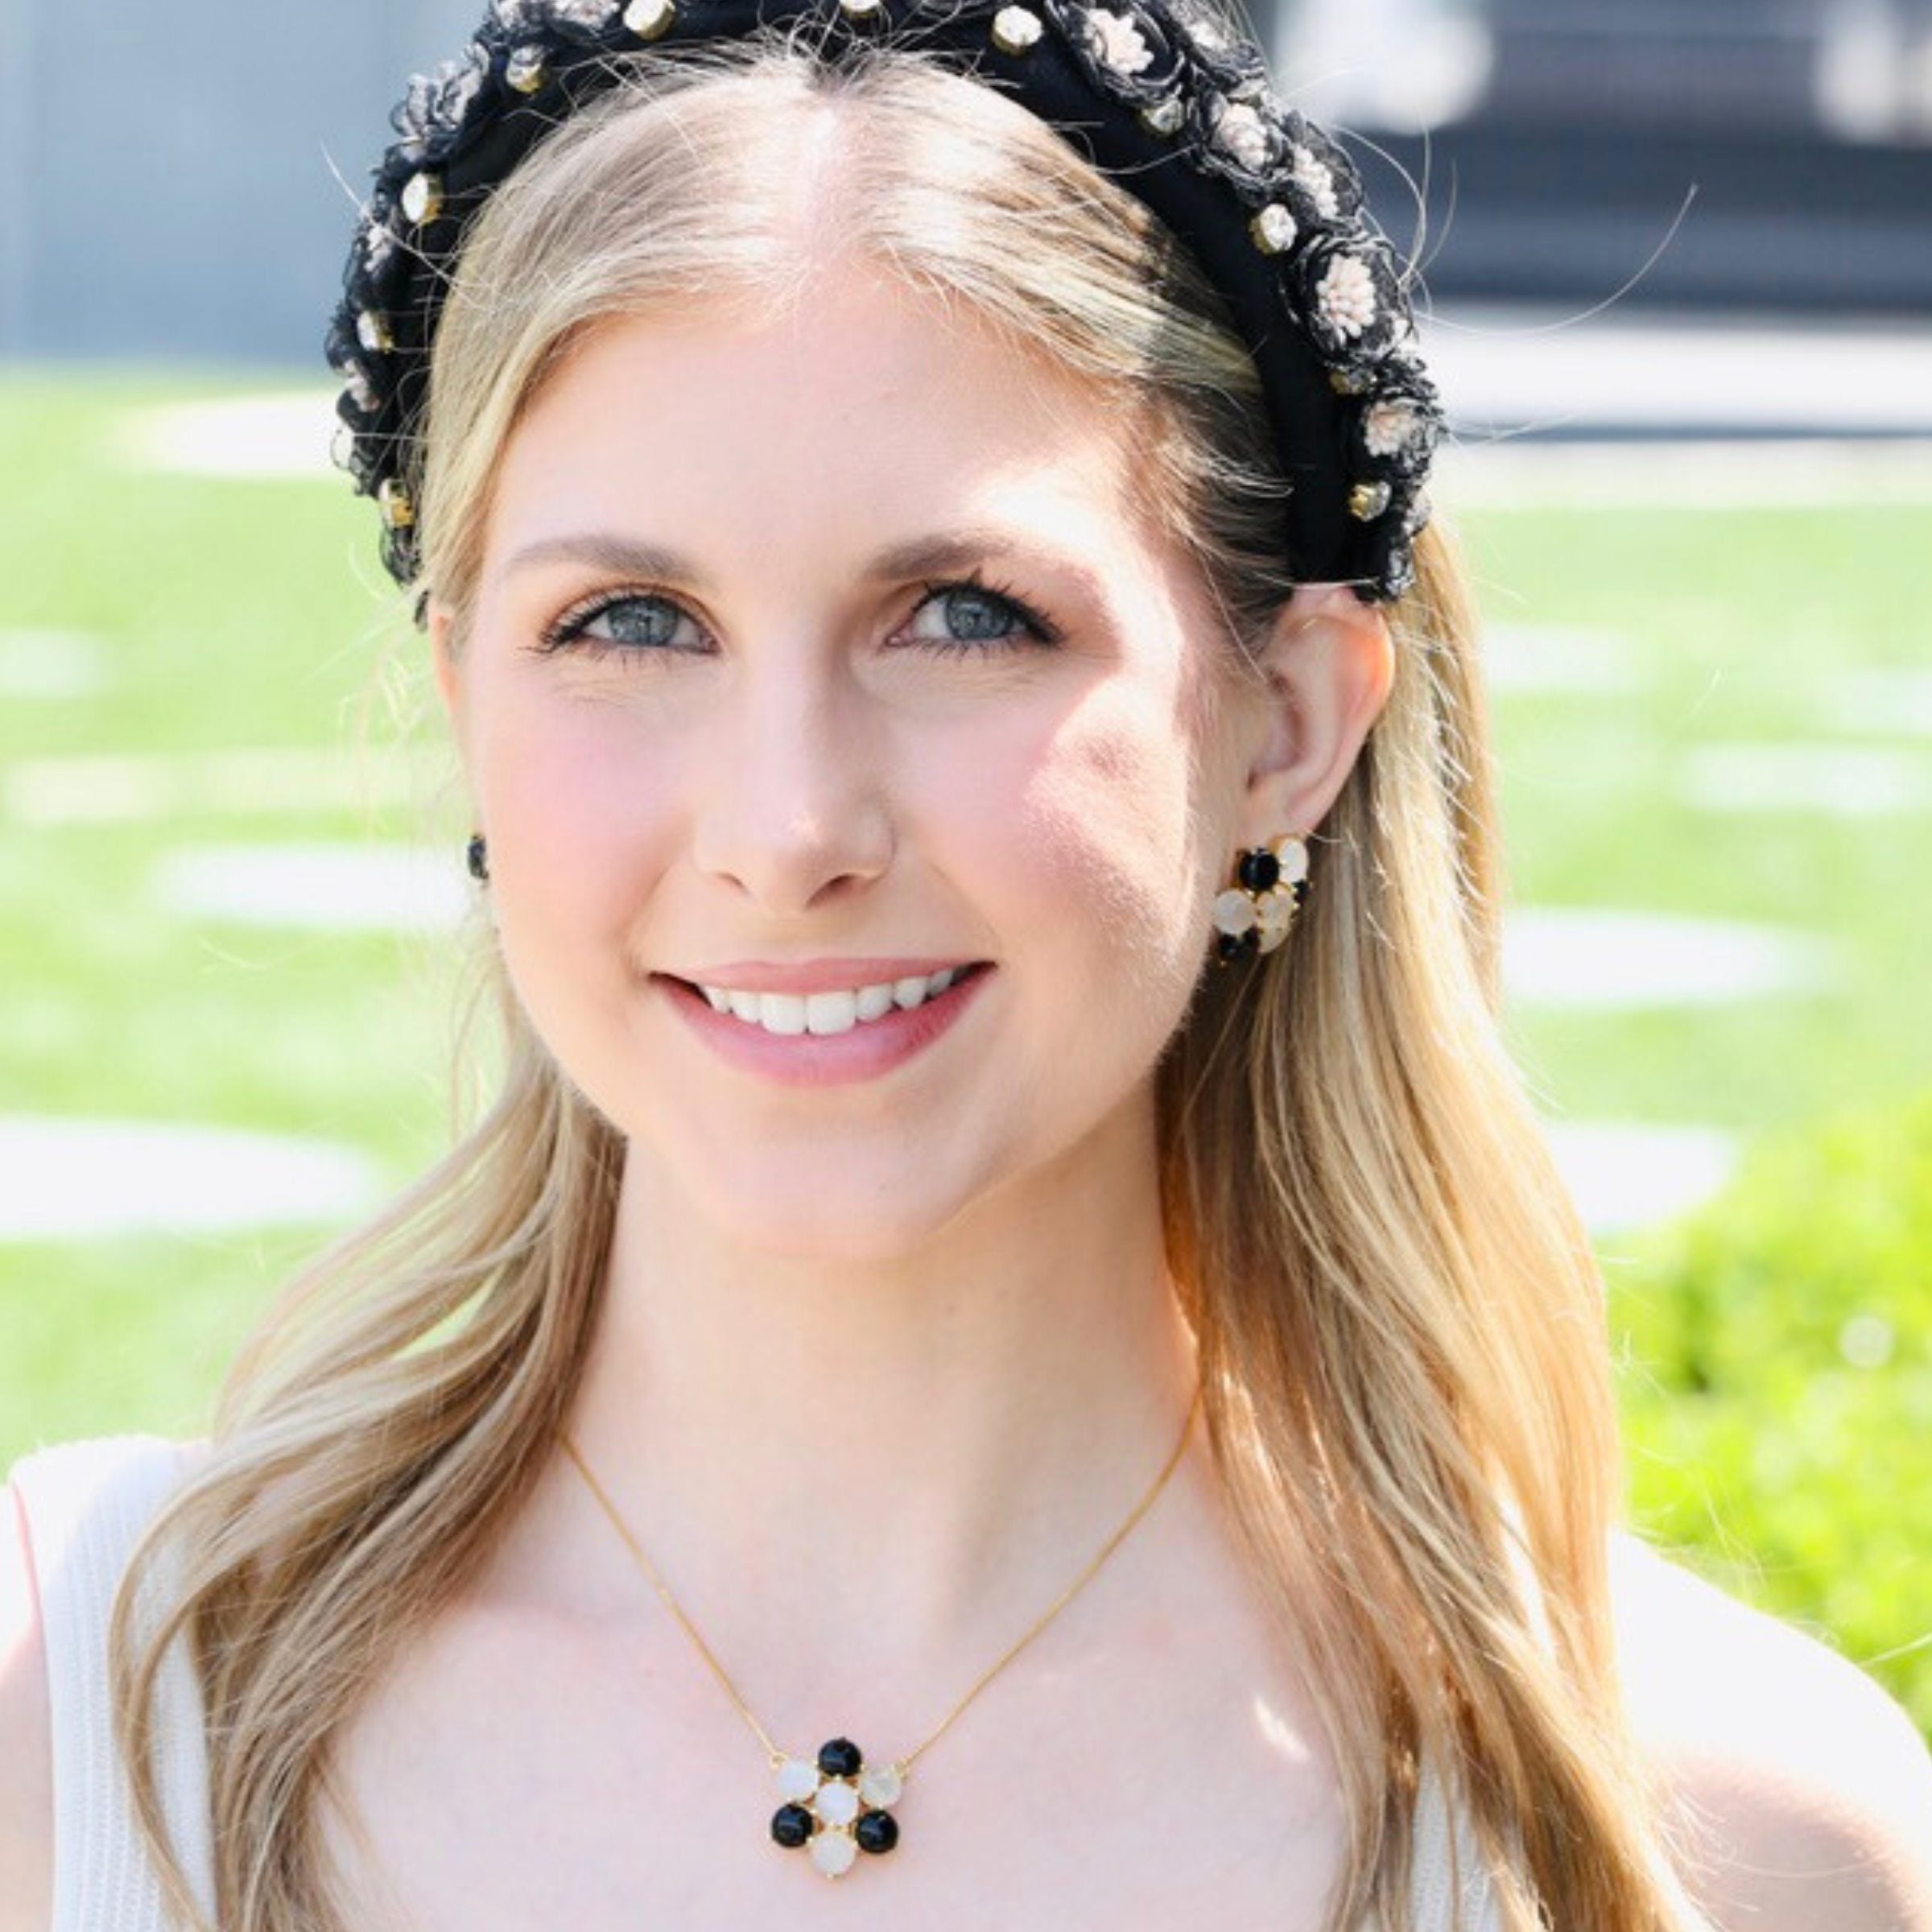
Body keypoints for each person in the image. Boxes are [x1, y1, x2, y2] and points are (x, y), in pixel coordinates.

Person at [3, 2, 1930, 1929]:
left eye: (962, 615)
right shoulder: (72, 1711)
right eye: (629, 621)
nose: (788, 826)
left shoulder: (1717, 1835)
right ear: (464, 700)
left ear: (1284, 723)